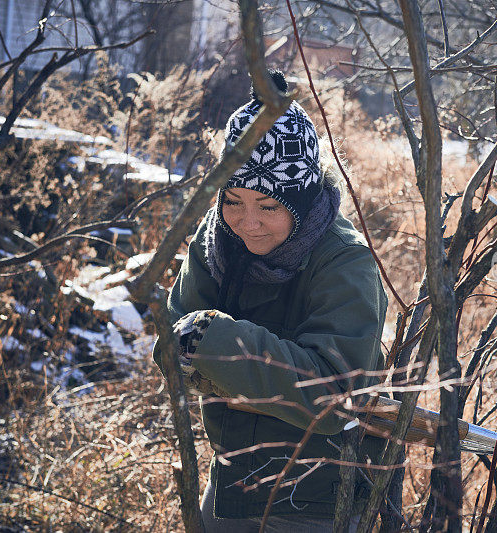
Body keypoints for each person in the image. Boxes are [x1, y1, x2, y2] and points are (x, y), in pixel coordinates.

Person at [164, 70, 388, 532]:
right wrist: (208, 353)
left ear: (302, 202)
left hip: (315, 496)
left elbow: (332, 397)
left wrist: (221, 345)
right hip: (232, 480)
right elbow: (172, 348)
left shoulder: (344, 262)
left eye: (269, 206)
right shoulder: (217, 241)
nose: (248, 223)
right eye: (233, 201)